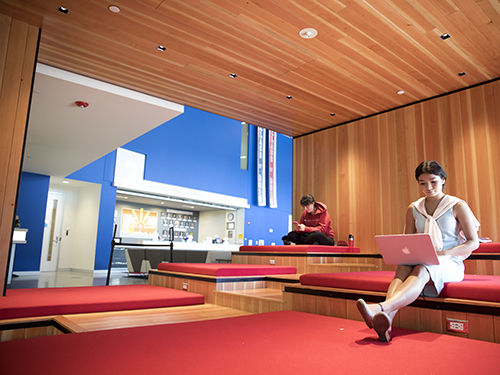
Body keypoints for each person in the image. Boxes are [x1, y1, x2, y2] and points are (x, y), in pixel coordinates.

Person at [357, 160, 480, 342]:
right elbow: (409, 240)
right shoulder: (414, 208)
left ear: (443, 179)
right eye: (422, 183)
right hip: (422, 257)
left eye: (433, 181)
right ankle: (387, 321)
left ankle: (381, 308)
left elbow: (473, 242)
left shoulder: (457, 205)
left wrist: (444, 254)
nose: (428, 187)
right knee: (403, 267)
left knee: (422, 269)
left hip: (449, 261)